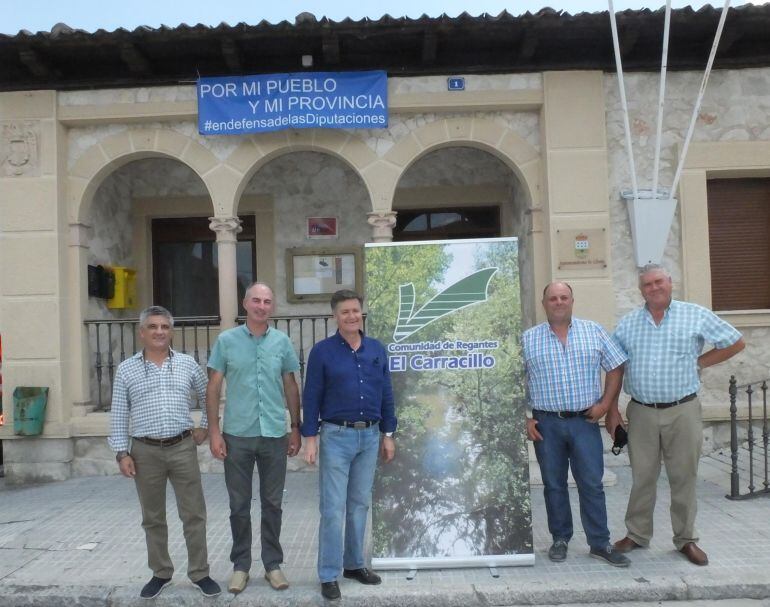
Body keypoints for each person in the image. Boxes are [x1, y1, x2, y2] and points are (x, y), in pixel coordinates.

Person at [608, 264, 745, 566]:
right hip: (641, 411)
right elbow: (615, 366)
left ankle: (686, 539)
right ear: (640, 290)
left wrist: (701, 362)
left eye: (658, 281)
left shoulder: (694, 314)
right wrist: (612, 409)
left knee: (683, 476)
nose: (653, 288)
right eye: (647, 284)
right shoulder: (629, 324)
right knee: (642, 476)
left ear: (670, 282)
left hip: (683, 410)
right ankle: (637, 534)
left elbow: (735, 341)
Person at [108, 305, 221, 599]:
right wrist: (122, 453)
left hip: (182, 447)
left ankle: (200, 572)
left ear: (171, 331)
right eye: (153, 327)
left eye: (165, 327)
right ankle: (160, 572)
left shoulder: (186, 364)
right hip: (144, 451)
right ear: (142, 332)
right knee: (153, 516)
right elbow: (119, 414)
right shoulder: (126, 369)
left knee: (194, 513)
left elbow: (209, 394)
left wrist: (206, 427)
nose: (160, 332)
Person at [523, 282, 630, 567]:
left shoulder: (593, 331)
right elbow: (512, 380)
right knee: (554, 485)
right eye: (553, 298)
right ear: (543, 303)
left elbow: (616, 365)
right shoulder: (528, 339)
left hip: (585, 422)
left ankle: (600, 543)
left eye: (564, 297)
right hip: (547, 424)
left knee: (591, 484)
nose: (558, 302)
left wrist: (606, 405)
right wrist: (525, 416)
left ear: (572, 301)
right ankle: (560, 539)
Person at [206, 282, 301, 594]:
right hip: (237, 435)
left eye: (267, 301)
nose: (262, 306)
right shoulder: (227, 341)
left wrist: (295, 427)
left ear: (272, 307)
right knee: (239, 505)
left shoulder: (282, 342)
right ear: (245, 304)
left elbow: (290, 385)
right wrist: (215, 432)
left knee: (273, 504)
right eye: (256, 300)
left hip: (274, 433)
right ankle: (241, 566)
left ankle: (272, 564)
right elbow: (214, 387)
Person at [301, 289, 397, 600]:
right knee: (332, 508)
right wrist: (310, 439)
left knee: (359, 505)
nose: (351, 316)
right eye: (345, 312)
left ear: (361, 313)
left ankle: (354, 564)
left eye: (355, 310)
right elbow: (311, 395)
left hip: (369, 437)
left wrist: (388, 434)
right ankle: (328, 574)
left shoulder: (376, 350)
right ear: (335, 316)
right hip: (335, 437)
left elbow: (386, 393)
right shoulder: (322, 352)